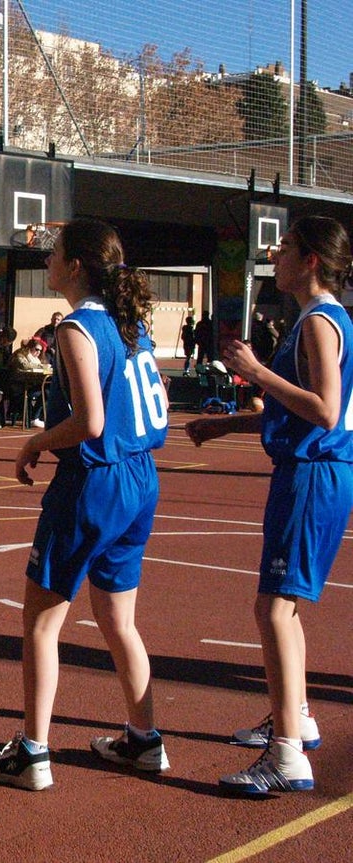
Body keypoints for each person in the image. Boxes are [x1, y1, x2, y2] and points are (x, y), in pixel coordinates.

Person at [0, 218, 170, 791]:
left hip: (95, 482)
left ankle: (33, 753)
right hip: (141, 479)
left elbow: (90, 422)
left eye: (55, 252)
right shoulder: (129, 321)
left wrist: (35, 441)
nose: (48, 259)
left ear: (78, 265)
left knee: (40, 620)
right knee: (119, 620)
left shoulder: (77, 328)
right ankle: (144, 739)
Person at [186, 216, 353, 795]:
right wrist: (226, 422)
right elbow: (297, 408)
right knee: (287, 609)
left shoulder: (319, 322)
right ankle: (296, 716)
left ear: (310, 260)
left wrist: (256, 372)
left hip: (313, 474)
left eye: (284, 248)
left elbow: (325, 410)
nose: (274, 256)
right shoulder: (314, 320)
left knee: (274, 610)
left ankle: (286, 755)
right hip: (313, 472)